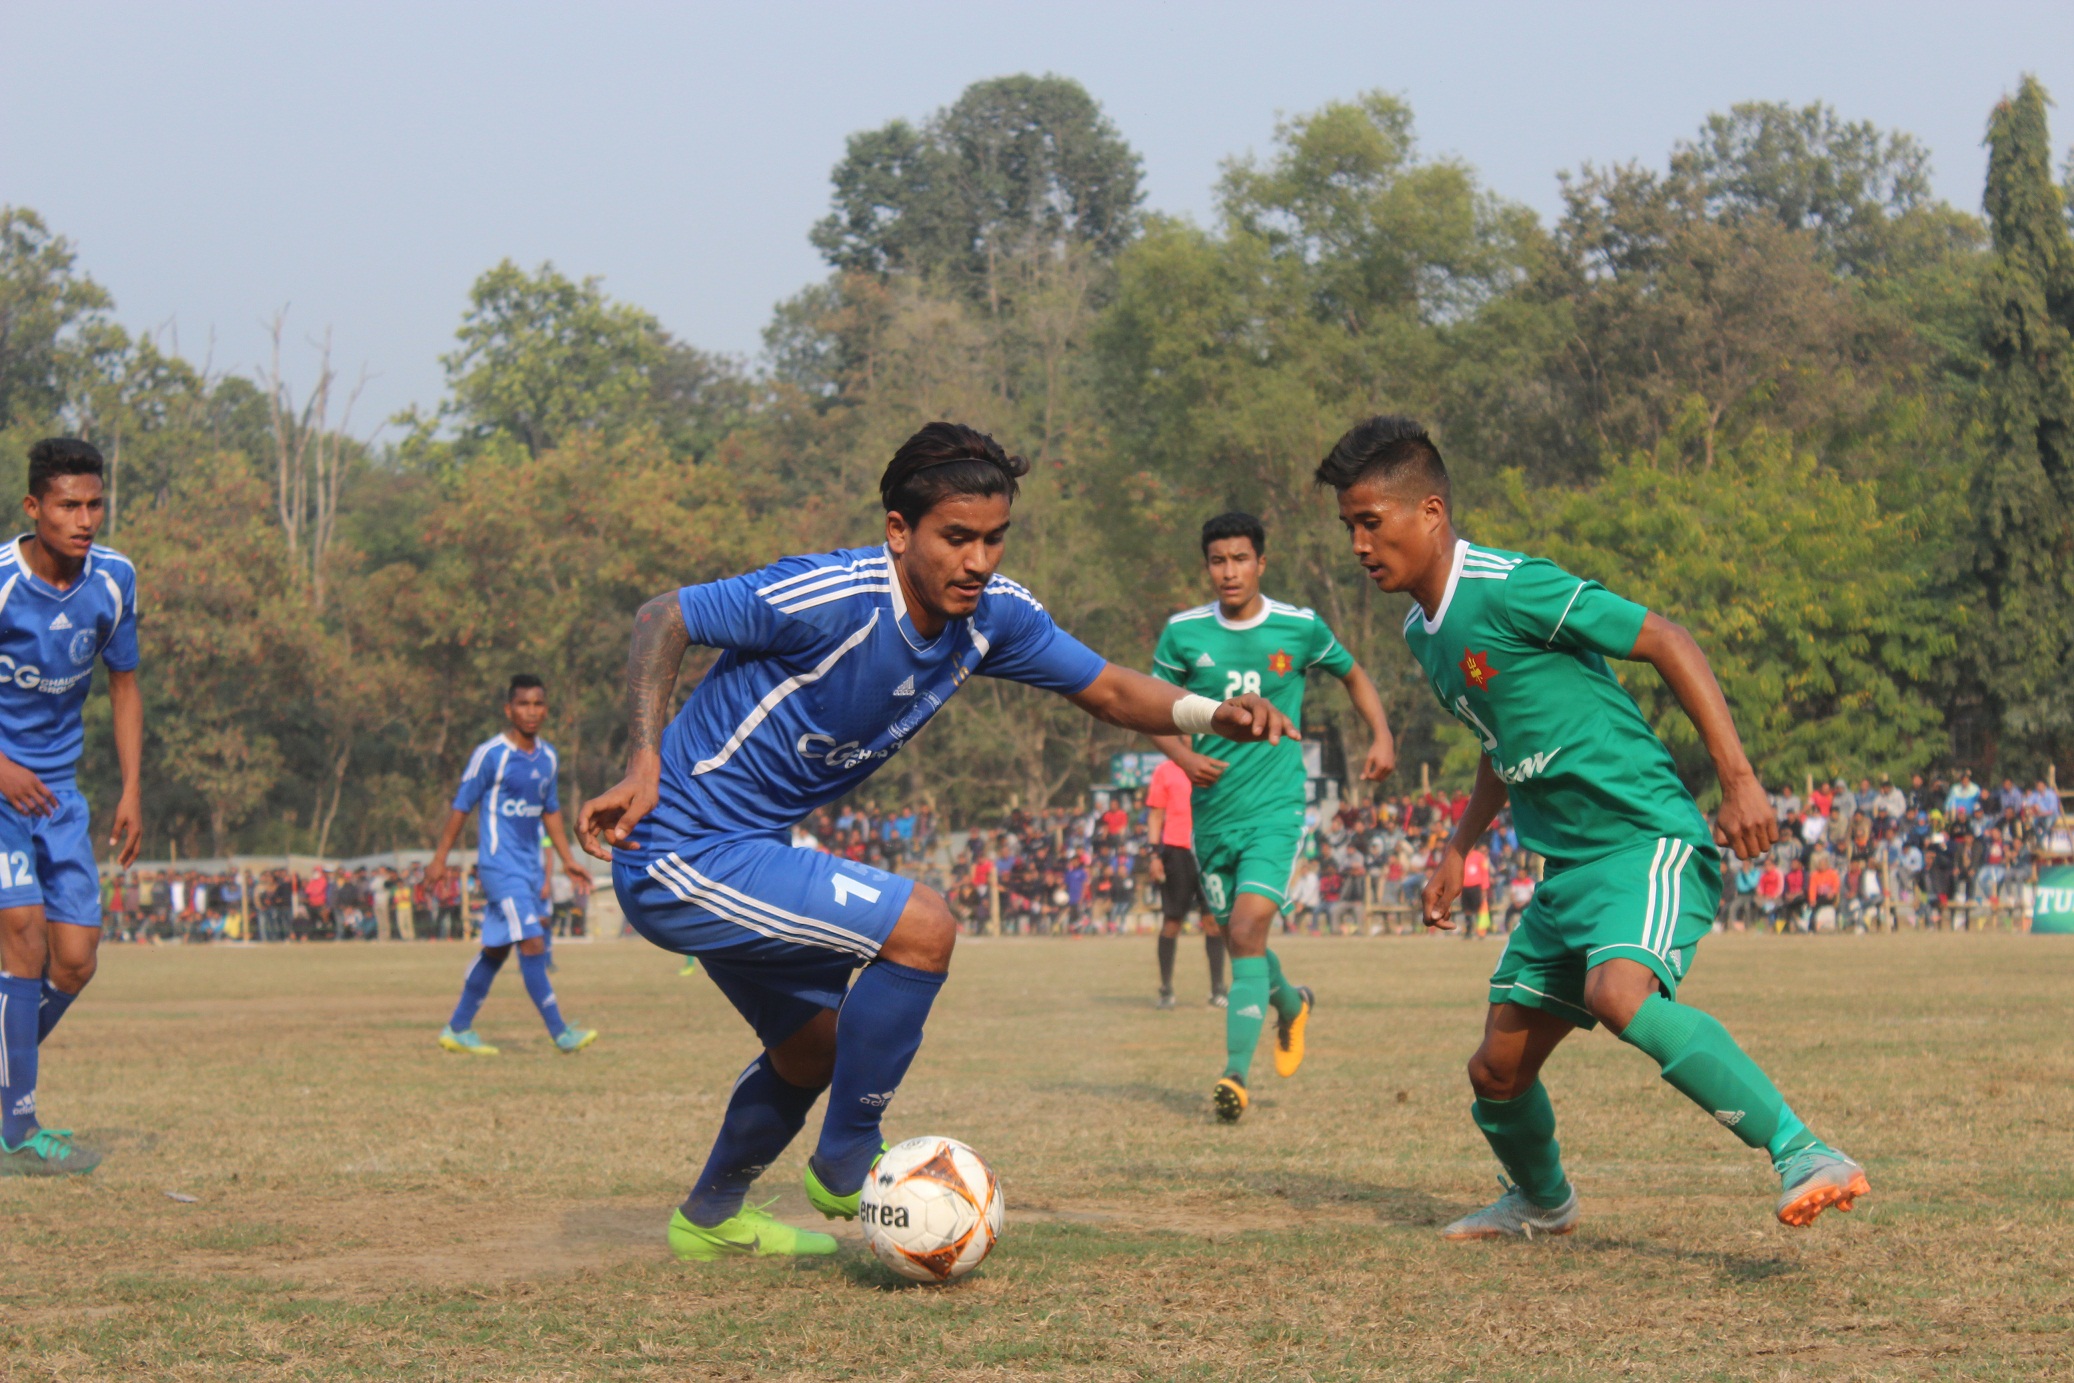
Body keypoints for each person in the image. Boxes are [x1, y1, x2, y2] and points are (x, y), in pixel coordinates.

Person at [574, 422, 1296, 1264]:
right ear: (898, 531)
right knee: (924, 924)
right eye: (957, 537)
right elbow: (665, 615)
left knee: (815, 1050)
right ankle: (848, 1164)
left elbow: (1104, 686)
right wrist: (643, 758)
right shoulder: (831, 594)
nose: (979, 560)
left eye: (994, 538)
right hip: (679, 848)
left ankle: (710, 1216)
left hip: (746, 846)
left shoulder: (994, 618)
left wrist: (1211, 712)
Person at [1316, 414, 1868, 1240]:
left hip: (1642, 838)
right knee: (1495, 1070)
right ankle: (1541, 1202)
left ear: (1429, 512)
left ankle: (1803, 1150)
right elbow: (1501, 741)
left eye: (1371, 521)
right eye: (1349, 527)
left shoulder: (1510, 586)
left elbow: (1666, 639)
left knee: (1619, 994)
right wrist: (1460, 845)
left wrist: (1740, 779)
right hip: (1565, 871)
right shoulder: (1422, 634)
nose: (1359, 544)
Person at [1147, 511, 1396, 1123]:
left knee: (1249, 928)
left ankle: (1234, 1074)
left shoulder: (1299, 627)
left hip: (1277, 809)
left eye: (1239, 559)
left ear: (1261, 562)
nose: (1228, 571)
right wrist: (1183, 758)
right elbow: (1150, 709)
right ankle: (1291, 1004)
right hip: (1211, 816)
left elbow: (1352, 674)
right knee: (1240, 937)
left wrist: (1381, 735)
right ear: (1207, 566)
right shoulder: (1181, 633)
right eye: (1217, 560)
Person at [0, 439, 142, 1176]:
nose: (84, 519)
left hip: (61, 796)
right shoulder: (0, 582)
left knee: (76, 960)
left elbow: (124, 685)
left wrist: (131, 787)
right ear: (34, 507)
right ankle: (16, 1129)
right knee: (21, 934)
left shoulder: (114, 579)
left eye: (93, 504)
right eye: (67, 505)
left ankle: (2, 1085)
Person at [429, 675, 595, 1056]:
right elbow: (461, 806)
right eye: (523, 704)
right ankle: (560, 1033)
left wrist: (569, 860)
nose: (531, 711)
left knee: (497, 950)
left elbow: (550, 811)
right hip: (499, 867)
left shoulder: (549, 758)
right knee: (533, 941)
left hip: (529, 868)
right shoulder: (492, 754)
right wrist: (440, 858)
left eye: (538, 704)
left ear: (546, 709)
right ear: (509, 709)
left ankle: (457, 1027)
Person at [1144, 754, 1226, 1008]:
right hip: (1176, 852)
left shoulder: (1214, 766)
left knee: (1213, 922)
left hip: (1209, 848)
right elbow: (1156, 815)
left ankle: (1218, 990)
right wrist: (1154, 854)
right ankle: (1166, 989)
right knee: (1172, 922)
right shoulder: (1165, 770)